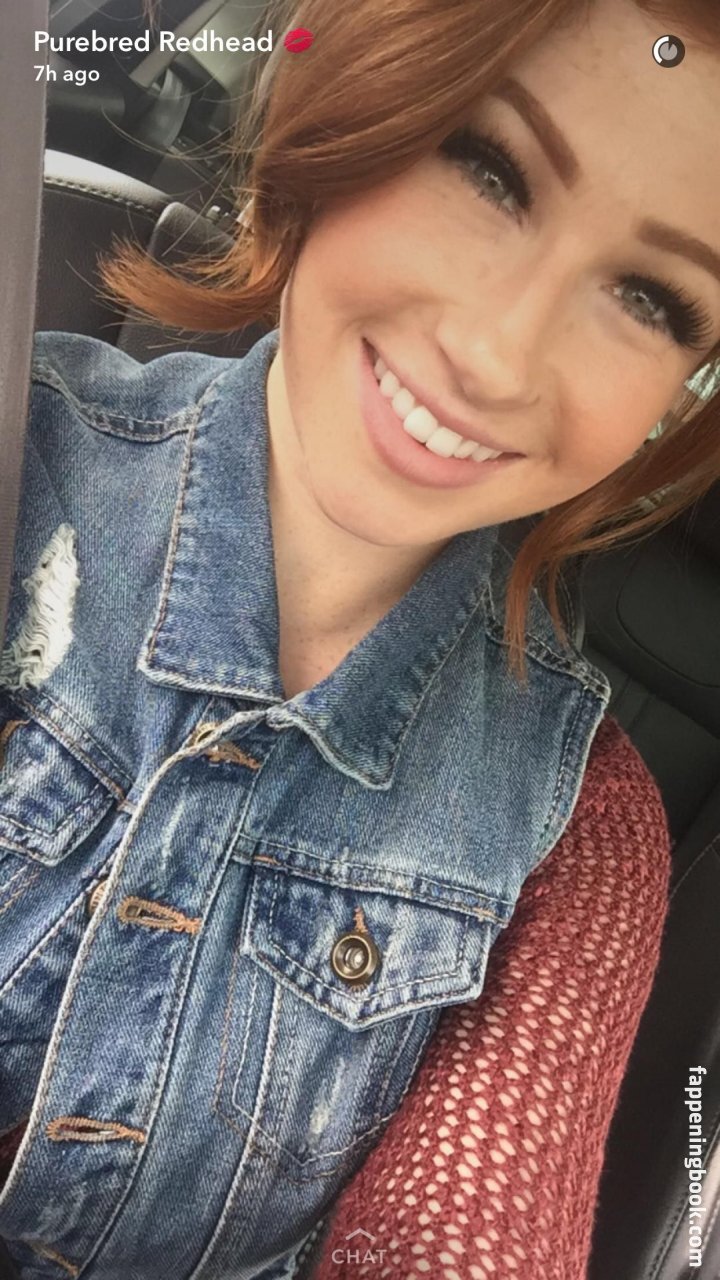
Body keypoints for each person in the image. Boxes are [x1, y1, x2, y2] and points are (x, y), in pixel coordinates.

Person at [0, 0, 717, 1275]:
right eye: (489, 169)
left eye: (652, 298)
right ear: (360, 102)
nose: (495, 353)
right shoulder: (22, 460)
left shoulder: (584, 829)